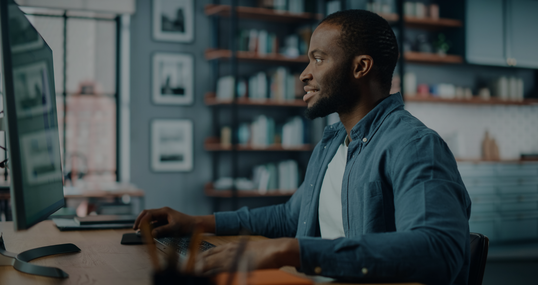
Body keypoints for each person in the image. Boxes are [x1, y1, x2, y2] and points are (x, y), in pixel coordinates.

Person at [134, 9, 471, 285]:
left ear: (360, 67)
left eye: (318, 59)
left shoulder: (415, 146)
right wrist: (196, 223)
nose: (304, 75)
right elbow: (290, 216)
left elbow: (438, 250)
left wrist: (292, 252)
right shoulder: (333, 141)